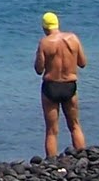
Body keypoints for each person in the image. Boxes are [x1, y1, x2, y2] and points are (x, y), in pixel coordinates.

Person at [34, 11, 86, 157]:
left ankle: (52, 163)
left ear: (45, 27)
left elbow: (39, 69)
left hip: (51, 87)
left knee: (51, 130)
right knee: (75, 125)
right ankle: (83, 157)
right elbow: (82, 63)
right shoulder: (73, 38)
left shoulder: (44, 42)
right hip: (70, 85)